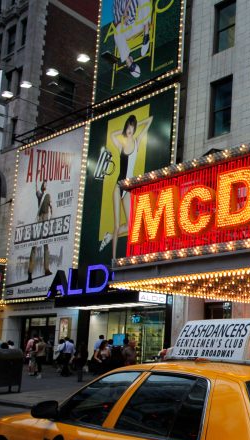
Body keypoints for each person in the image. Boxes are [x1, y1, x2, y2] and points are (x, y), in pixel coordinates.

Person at [110, 114, 153, 258]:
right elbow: (112, 134)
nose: (130, 129)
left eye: (132, 126)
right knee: (117, 225)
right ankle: (114, 259)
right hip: (118, 186)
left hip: (128, 188)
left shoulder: (137, 141)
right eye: (128, 126)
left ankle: (110, 236)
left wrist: (137, 122)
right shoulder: (121, 145)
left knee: (130, 226)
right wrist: (123, 130)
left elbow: (150, 119)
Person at [111, 0, 151, 79]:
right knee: (117, 30)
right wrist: (122, 20)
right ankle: (128, 61)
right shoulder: (116, 3)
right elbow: (116, 23)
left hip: (141, 21)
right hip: (129, 27)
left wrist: (126, 8)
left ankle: (146, 36)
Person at [27, 180, 52, 282]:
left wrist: (51, 217)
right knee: (35, 246)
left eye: (45, 184)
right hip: (40, 218)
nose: (44, 186)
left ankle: (46, 269)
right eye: (43, 184)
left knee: (46, 245)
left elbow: (51, 206)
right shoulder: (39, 194)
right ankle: (30, 272)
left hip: (45, 219)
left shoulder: (48, 196)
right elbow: (36, 189)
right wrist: (36, 181)